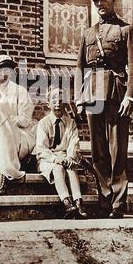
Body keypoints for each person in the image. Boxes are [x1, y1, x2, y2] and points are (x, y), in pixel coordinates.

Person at [76, 0, 133, 218]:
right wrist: (80, 98)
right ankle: (104, 200)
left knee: (117, 149)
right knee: (98, 150)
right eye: (96, 1)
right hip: (93, 92)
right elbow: (80, 67)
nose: (100, 4)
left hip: (116, 93)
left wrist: (130, 97)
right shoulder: (88, 34)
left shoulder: (126, 30)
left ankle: (118, 203)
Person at [0, 55, 36, 195]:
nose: (4, 72)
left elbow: (25, 121)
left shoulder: (20, 91)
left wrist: (7, 120)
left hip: (21, 137)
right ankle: (4, 175)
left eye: (7, 69)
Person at [36, 87, 88, 219]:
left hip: (65, 156)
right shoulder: (43, 123)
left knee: (71, 168)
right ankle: (67, 203)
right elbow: (42, 148)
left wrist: (70, 157)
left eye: (61, 100)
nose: (58, 103)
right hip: (48, 159)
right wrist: (55, 158)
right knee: (58, 168)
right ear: (48, 104)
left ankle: (78, 202)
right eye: (54, 101)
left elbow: (73, 142)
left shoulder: (70, 123)